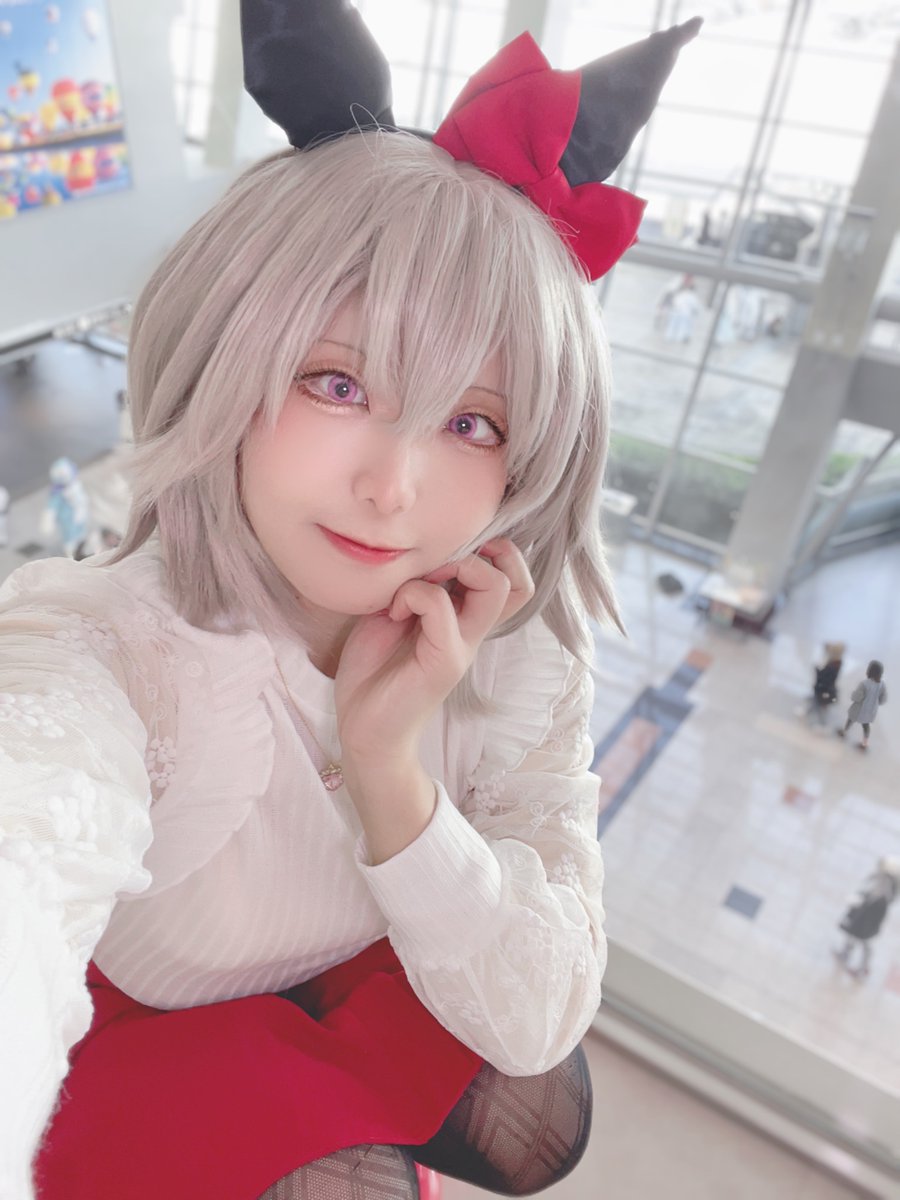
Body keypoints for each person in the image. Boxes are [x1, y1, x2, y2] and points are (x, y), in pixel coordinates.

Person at [0, 6, 701, 1200]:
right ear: (224, 359)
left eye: (472, 421)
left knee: (545, 1111)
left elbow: (537, 1020)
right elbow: (30, 827)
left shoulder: (517, 641)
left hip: (358, 960)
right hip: (146, 1020)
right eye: (337, 383)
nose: (393, 489)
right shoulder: (114, 648)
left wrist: (389, 770)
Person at [834, 857, 899, 979]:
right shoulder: (885, 880)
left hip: (870, 916)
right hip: (868, 913)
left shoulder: (887, 882)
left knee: (864, 940)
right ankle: (847, 956)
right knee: (853, 933)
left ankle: (863, 968)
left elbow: (877, 897)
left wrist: (862, 901)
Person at [838, 659, 888, 749]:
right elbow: (883, 699)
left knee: (850, 719)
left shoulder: (864, 683)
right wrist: (877, 702)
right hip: (871, 710)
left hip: (859, 708)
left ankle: (844, 732)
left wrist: (853, 696)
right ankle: (865, 743)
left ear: (869, 670)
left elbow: (857, 697)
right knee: (866, 725)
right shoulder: (882, 685)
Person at [799, 640, 844, 727]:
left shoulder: (833, 665)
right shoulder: (837, 663)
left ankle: (822, 724)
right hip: (824, 690)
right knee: (815, 704)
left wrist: (817, 670)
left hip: (824, 691)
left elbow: (824, 677)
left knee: (818, 706)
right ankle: (806, 715)